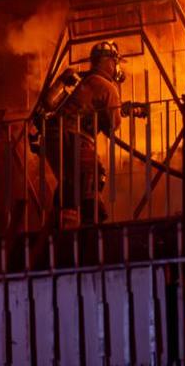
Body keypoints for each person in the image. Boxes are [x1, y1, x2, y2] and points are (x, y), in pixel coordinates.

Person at [32, 40, 124, 228]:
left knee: (70, 181)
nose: (117, 68)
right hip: (74, 137)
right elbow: (113, 126)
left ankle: (59, 223)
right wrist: (119, 110)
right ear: (109, 62)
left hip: (52, 138)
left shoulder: (81, 80)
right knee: (94, 175)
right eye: (116, 62)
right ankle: (90, 224)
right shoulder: (108, 87)